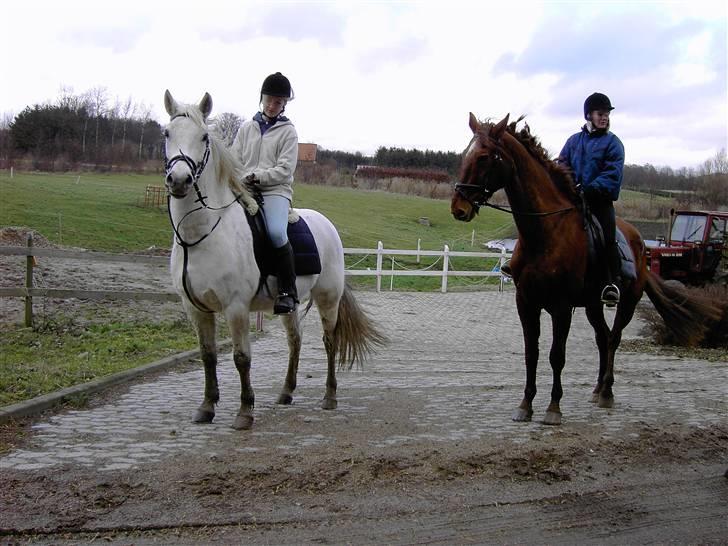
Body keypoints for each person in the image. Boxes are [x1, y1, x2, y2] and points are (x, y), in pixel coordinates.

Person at [232, 72, 299, 314]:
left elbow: (285, 169)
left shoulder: (288, 132)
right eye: (269, 100)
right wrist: (241, 178)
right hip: (244, 188)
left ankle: (287, 292)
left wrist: (258, 175)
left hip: (275, 190)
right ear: (262, 98)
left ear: (284, 105)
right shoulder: (246, 128)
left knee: (275, 231)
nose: (272, 106)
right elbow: (234, 159)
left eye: (278, 102)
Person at [558, 92, 625, 307]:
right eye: (600, 114)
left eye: (606, 114)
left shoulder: (614, 143)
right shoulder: (573, 141)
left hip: (599, 202)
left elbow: (612, 174)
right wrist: (567, 185)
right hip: (573, 201)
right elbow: (562, 165)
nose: (604, 117)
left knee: (607, 238)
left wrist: (588, 189)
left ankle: (610, 283)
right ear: (589, 115)